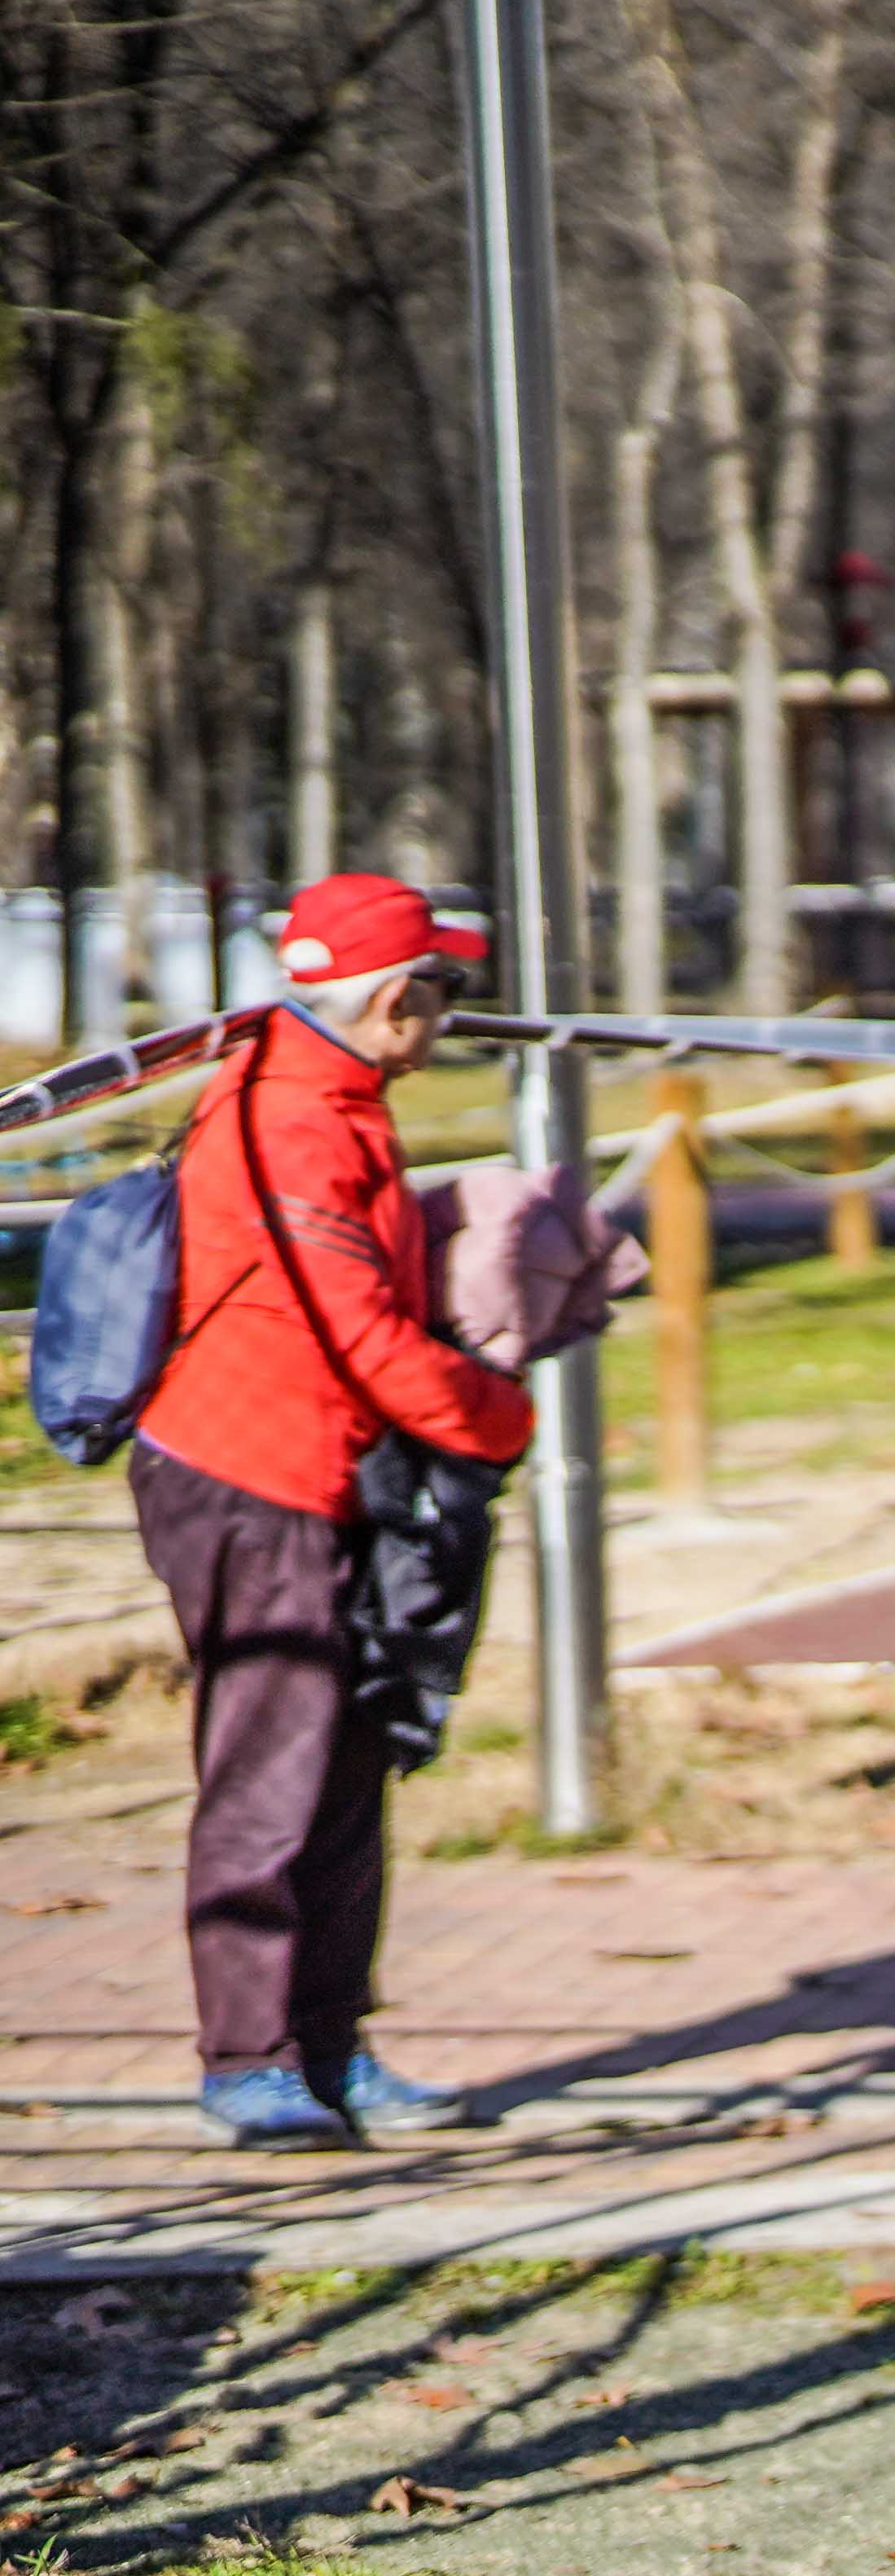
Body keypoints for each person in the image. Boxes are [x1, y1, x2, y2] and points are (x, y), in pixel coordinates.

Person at [135, 876, 529, 2148]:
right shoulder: (289, 1114)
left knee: (348, 1768)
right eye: (443, 990)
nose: (448, 1015)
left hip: (335, 1472)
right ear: (393, 996)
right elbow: (348, 1323)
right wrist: (496, 1417)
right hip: (252, 1477)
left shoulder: (336, 1092)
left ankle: (329, 2047)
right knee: (269, 1771)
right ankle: (246, 2060)